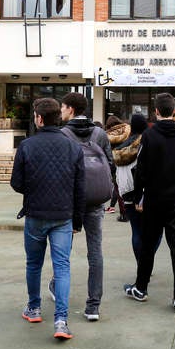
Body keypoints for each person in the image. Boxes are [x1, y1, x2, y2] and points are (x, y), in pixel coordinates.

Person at [10, 97, 84, 341]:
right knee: (62, 267)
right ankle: (61, 320)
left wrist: (35, 189)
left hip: (36, 214)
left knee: (34, 263)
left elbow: (16, 183)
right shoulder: (73, 147)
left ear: (40, 119)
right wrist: (77, 221)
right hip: (63, 215)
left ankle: (34, 307)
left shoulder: (27, 146)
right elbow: (79, 187)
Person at [124, 93, 175, 314]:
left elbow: (141, 170)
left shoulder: (149, 135)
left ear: (155, 111)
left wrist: (138, 197)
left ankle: (141, 288)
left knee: (148, 245)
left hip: (154, 199)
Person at [57, 92, 115, 321]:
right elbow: (110, 163)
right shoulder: (100, 133)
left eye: (62, 108)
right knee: (95, 251)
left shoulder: (63, 135)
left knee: (63, 251)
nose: (61, 111)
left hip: (69, 203)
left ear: (71, 109)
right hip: (94, 200)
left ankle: (56, 286)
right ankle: (93, 306)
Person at [113, 114, 161, 263]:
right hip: (144, 193)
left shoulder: (120, 148)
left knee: (136, 231)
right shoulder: (146, 144)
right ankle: (147, 260)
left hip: (126, 193)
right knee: (156, 231)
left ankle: (141, 263)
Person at [105, 115, 130, 220]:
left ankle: (124, 214)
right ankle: (130, 210)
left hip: (115, 163)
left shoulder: (107, 136)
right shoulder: (128, 130)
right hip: (128, 161)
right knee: (129, 187)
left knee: (118, 189)